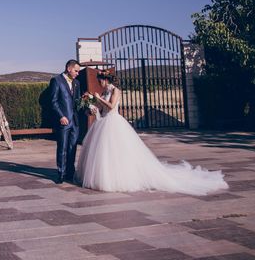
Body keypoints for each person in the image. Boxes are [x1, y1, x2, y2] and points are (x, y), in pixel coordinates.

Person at [75, 70, 229, 195]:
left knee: (118, 152)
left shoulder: (116, 91)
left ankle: (118, 179)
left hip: (114, 122)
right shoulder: (103, 92)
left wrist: (98, 99)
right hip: (104, 122)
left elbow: (111, 105)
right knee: (105, 153)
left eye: (100, 80)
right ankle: (103, 178)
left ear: (105, 80)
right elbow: (102, 109)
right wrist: (92, 103)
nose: (99, 83)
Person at [49, 60, 82, 184]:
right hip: (63, 121)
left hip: (75, 121)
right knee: (62, 147)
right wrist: (61, 116)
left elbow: (78, 101)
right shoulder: (56, 81)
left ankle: (70, 173)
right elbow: (53, 101)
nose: (78, 73)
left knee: (72, 147)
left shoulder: (77, 83)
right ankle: (61, 173)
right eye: (76, 71)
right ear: (69, 68)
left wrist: (88, 105)